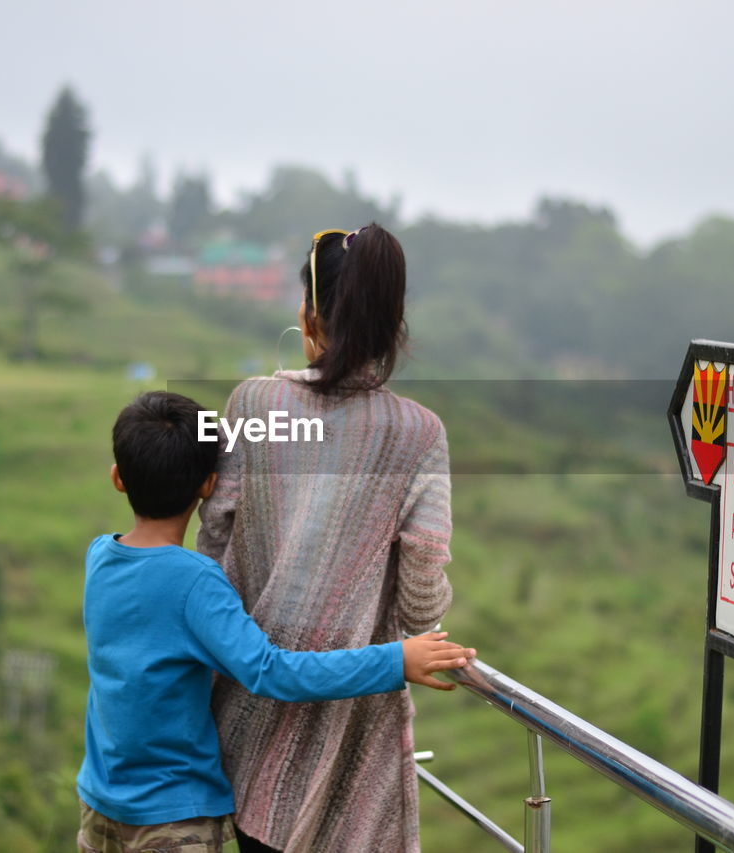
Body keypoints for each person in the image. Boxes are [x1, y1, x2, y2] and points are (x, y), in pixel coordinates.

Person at [76, 390, 473, 853]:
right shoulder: (196, 583)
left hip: (100, 801)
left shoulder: (100, 556)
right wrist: (393, 660)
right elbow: (271, 671)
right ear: (209, 486)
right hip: (172, 816)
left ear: (118, 478)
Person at [198, 223, 453, 852]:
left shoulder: (251, 405)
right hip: (349, 722)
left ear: (310, 314)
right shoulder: (419, 435)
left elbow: (213, 544)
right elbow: (422, 604)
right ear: (392, 324)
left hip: (242, 710)